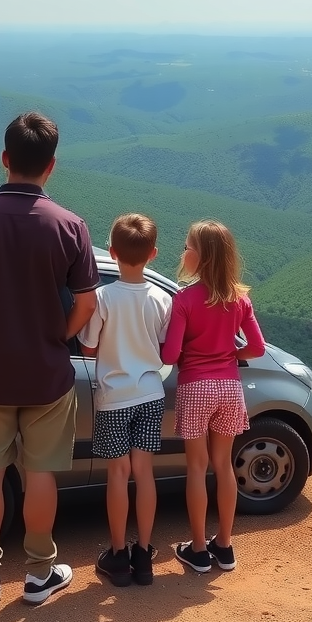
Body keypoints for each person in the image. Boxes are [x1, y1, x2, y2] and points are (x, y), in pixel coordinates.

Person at [0, 112, 100, 606]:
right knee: (41, 473)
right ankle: (39, 574)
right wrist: (58, 337)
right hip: (48, 374)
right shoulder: (71, 226)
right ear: (51, 166)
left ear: (5, 160)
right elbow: (88, 303)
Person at [160, 220, 265, 574]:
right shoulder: (240, 299)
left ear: (201, 258)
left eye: (188, 247)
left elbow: (170, 355)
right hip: (230, 389)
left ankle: (199, 550)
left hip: (195, 388)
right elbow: (257, 347)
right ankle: (225, 545)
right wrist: (230, 355)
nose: (183, 252)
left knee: (196, 467)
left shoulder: (184, 300)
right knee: (224, 466)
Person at [78, 213, 172, 587]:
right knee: (144, 474)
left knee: (118, 475)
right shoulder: (162, 299)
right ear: (153, 254)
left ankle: (117, 556)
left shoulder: (103, 297)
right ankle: (144, 554)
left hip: (114, 397)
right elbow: (166, 352)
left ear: (112, 252)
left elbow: (87, 348)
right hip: (151, 394)